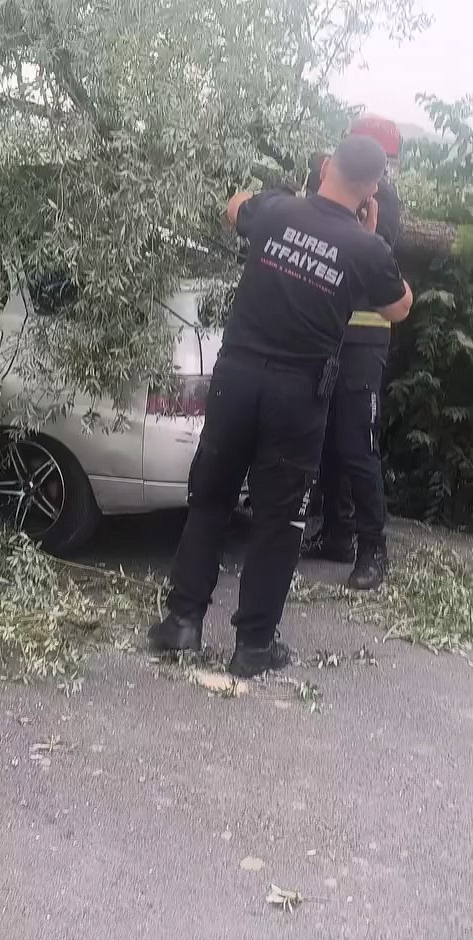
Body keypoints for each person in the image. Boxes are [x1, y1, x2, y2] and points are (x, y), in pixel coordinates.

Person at [148, 135, 413, 678]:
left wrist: (286, 200)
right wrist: (365, 236)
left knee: (211, 499)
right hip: (299, 393)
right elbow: (399, 307)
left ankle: (181, 623)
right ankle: (253, 646)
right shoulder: (366, 248)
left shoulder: (275, 211)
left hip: (237, 378)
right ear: (372, 190)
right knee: (278, 517)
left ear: (324, 166)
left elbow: (231, 207)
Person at [303, 152, 402, 590]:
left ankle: (373, 549)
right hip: (327, 338)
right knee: (325, 442)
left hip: (364, 340)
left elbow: (377, 268)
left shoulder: (385, 200)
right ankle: (338, 535)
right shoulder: (323, 194)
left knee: (357, 447)